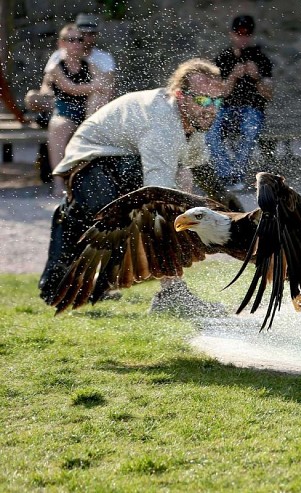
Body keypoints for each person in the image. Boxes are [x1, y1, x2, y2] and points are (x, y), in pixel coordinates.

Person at [38, 58, 238, 316]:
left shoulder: (191, 125)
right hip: (90, 165)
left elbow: (206, 177)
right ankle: (172, 294)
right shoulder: (163, 124)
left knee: (172, 190)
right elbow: (161, 199)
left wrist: (240, 220)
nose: (210, 109)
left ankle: (91, 283)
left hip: (116, 164)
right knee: (150, 214)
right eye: (202, 100)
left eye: (216, 101)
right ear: (180, 95)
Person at [38, 24, 105, 197]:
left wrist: (94, 88)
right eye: (71, 39)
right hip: (65, 111)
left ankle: (94, 180)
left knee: (97, 105)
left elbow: (104, 86)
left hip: (87, 111)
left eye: (79, 39)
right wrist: (93, 87)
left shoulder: (90, 65)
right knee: (58, 127)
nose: (76, 43)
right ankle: (58, 182)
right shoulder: (55, 68)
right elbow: (70, 88)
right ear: (62, 43)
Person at [208, 15, 274, 190]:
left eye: (246, 34)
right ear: (231, 34)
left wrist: (256, 77)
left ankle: (236, 176)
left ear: (251, 36)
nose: (242, 38)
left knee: (250, 130)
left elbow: (268, 95)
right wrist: (232, 77)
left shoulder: (261, 59)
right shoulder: (222, 59)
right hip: (226, 109)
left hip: (252, 109)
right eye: (238, 33)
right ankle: (227, 174)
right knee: (210, 132)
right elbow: (219, 93)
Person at [44, 13, 115, 114]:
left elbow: (107, 84)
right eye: (83, 34)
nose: (86, 38)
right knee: (33, 98)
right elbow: (48, 82)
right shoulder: (58, 57)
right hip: (61, 99)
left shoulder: (100, 59)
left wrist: (96, 89)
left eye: (91, 34)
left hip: (89, 100)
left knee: (99, 95)